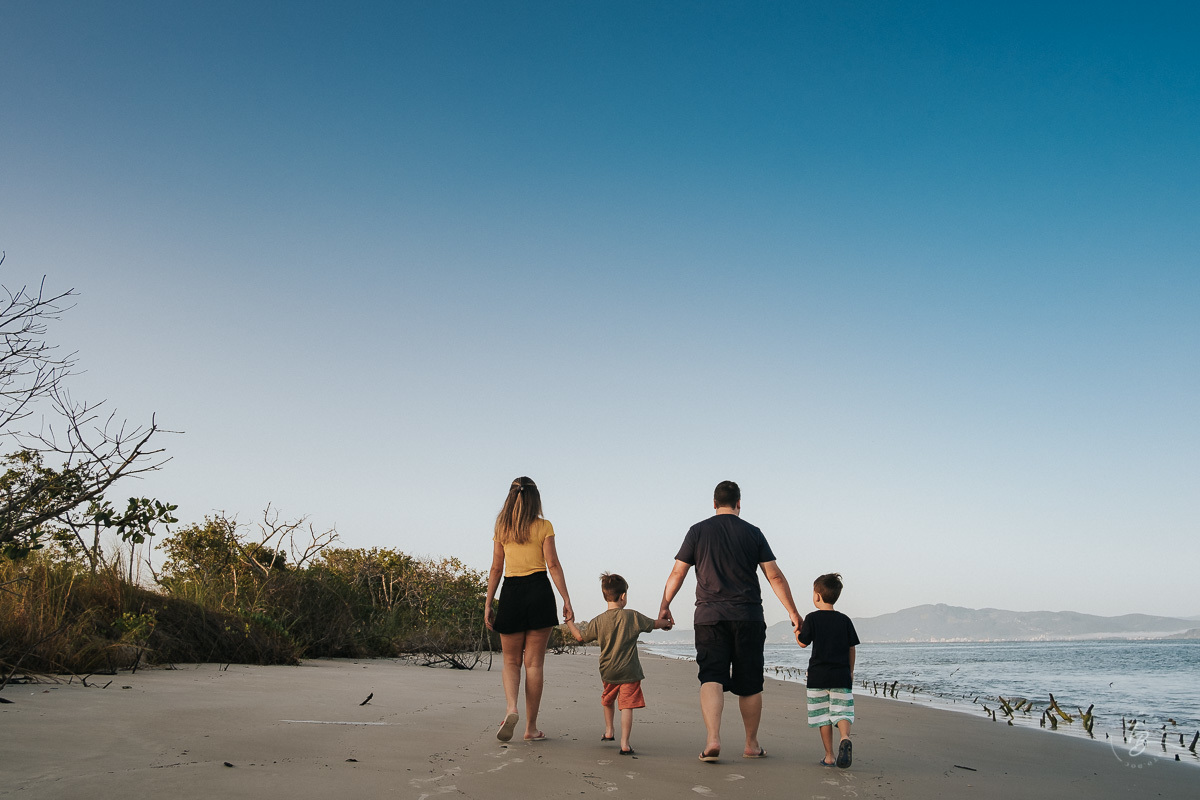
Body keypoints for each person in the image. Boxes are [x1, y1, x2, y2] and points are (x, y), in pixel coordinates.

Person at [659, 480, 803, 763]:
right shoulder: (753, 533)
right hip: (748, 616)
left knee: (712, 675)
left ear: (714, 504)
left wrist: (665, 605)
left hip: (710, 617)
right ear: (739, 503)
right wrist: (793, 613)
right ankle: (751, 744)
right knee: (749, 682)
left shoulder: (698, 531)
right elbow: (774, 576)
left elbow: (678, 572)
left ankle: (713, 738)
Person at [484, 477, 574, 742]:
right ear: (536, 498)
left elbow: (496, 568)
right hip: (539, 591)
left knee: (511, 661)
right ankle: (530, 728)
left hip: (511, 592)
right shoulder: (544, 526)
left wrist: (489, 603)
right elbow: (553, 565)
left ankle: (511, 708)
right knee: (534, 664)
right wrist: (566, 599)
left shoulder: (502, 527)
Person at [564, 573, 674, 756]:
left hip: (608, 671)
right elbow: (654, 624)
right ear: (623, 596)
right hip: (629, 671)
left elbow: (580, 637)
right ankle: (624, 744)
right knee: (627, 706)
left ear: (605, 596)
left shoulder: (598, 621)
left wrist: (569, 622)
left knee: (608, 700)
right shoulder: (632, 616)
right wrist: (667, 623)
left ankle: (609, 731)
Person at [796, 572, 859, 768]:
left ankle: (829, 756)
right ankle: (844, 738)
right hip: (841, 675)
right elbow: (851, 648)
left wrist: (797, 631)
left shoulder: (812, 618)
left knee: (823, 716)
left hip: (818, 677)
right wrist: (850, 671)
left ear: (817, 596)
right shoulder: (845, 620)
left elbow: (803, 643)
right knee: (842, 711)